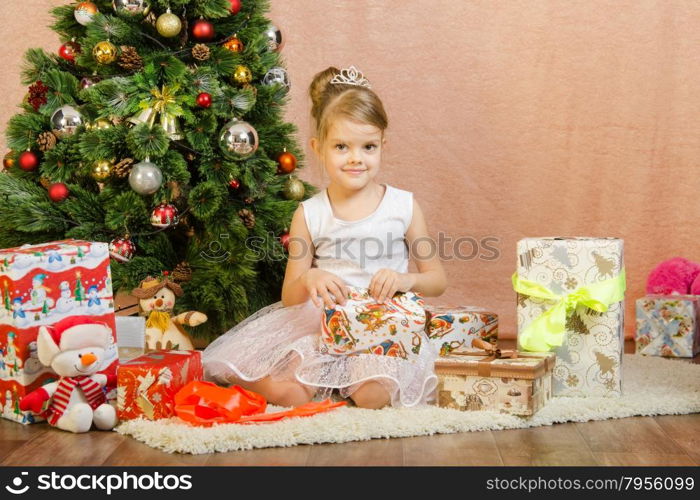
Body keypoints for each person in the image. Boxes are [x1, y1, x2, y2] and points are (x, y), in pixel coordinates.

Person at [203, 65, 447, 409]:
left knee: (373, 395)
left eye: (368, 147)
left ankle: (340, 389)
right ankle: (319, 387)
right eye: (342, 147)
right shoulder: (310, 213)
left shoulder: (402, 206)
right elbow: (290, 296)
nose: (356, 159)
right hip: (324, 325)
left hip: (382, 328)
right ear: (318, 147)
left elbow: (437, 280)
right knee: (289, 393)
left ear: (383, 145)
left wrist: (403, 279)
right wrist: (310, 276)